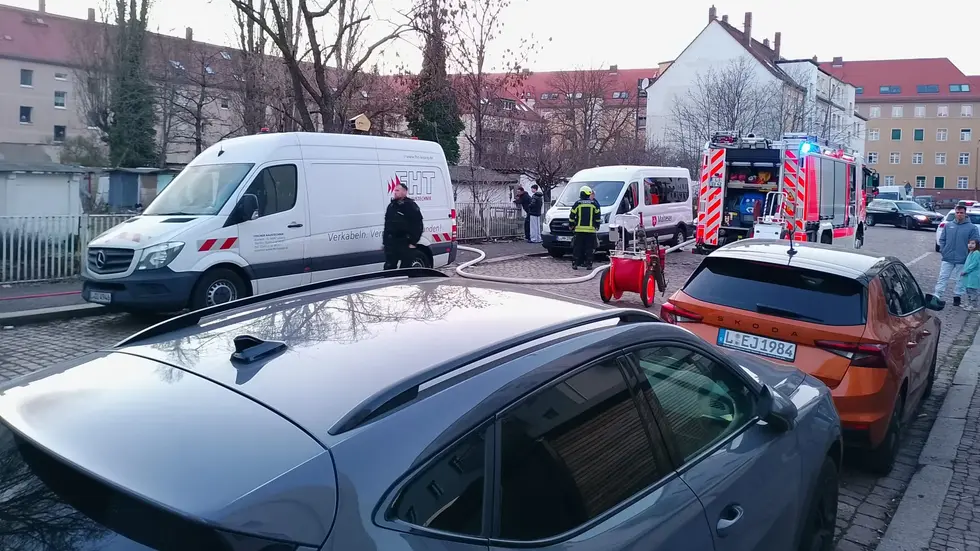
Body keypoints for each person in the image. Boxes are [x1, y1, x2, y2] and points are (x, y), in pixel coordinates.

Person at [935, 204, 980, 306]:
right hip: (948, 257)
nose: (959, 214)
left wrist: (969, 255)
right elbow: (942, 239)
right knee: (943, 277)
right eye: (957, 212)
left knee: (960, 279)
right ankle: (937, 295)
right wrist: (944, 250)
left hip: (963, 258)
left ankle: (957, 296)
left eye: (961, 213)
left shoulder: (971, 228)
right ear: (955, 213)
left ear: (965, 214)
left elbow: (976, 242)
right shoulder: (948, 225)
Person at [383, 181, 424, 270]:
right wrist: (385, 242)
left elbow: (418, 225)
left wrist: (413, 242)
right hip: (392, 243)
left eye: (397, 190)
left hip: (405, 242)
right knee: (389, 268)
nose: (395, 192)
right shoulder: (392, 206)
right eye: (395, 190)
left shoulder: (410, 206)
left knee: (405, 269)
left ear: (404, 192)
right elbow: (387, 225)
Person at [568, 186, 601, 270]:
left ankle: (575, 263)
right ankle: (589, 264)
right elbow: (597, 217)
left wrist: (571, 225)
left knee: (577, 247)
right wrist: (597, 225)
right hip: (591, 231)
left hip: (579, 230)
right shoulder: (594, 204)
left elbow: (572, 216)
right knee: (589, 248)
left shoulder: (577, 204)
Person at [962, 238, 980, 311]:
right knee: (968, 290)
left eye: (973, 243)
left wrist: (966, 271)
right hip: (968, 275)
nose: (970, 245)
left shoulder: (976, 253)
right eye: (969, 243)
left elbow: (974, 264)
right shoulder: (970, 252)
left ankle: (974, 306)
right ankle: (969, 304)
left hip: (973, 275)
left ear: (976, 245)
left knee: (973, 291)